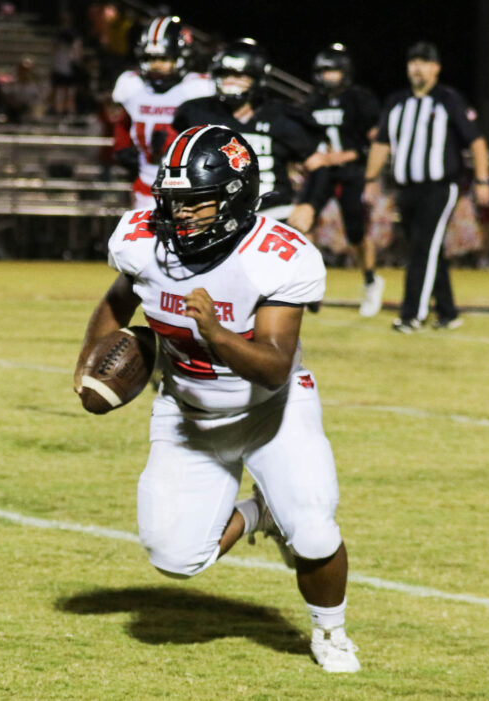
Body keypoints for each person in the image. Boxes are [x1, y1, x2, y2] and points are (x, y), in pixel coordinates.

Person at [74, 125, 360, 674]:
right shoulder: (141, 240)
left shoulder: (278, 254)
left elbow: (275, 366)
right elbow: (118, 299)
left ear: (234, 198)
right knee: (175, 558)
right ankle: (260, 515)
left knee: (316, 527)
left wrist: (218, 334)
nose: (178, 217)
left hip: (273, 411)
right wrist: (90, 363)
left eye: (194, 204)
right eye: (171, 202)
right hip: (187, 412)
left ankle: (331, 631)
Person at [363, 41, 489, 332]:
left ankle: (412, 314)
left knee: (422, 249)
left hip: (439, 187)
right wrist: (371, 180)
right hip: (406, 188)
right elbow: (381, 143)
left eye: (424, 62)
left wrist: (482, 180)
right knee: (427, 249)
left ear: (436, 68)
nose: (417, 67)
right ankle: (447, 312)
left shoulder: (448, 99)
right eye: (413, 62)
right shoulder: (396, 101)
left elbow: (476, 141)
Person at [173, 38, 326, 231]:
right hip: (215, 215)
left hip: (272, 215)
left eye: (239, 75)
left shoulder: (280, 117)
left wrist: (309, 205)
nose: (230, 81)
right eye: (225, 74)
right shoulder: (197, 112)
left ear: (258, 79)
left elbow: (319, 165)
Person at [301, 44, 384, 316]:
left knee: (356, 232)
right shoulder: (312, 102)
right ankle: (307, 284)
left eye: (334, 70)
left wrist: (344, 156)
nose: (329, 76)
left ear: (345, 72)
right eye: (325, 70)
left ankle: (371, 282)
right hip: (322, 172)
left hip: (351, 172)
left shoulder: (359, 99)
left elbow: (375, 140)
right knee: (302, 222)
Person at [111, 15, 213, 210]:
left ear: (181, 56)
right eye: (150, 58)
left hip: (191, 187)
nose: (156, 64)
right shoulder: (132, 85)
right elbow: (123, 124)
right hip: (146, 183)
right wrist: (122, 148)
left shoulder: (198, 88)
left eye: (164, 58)